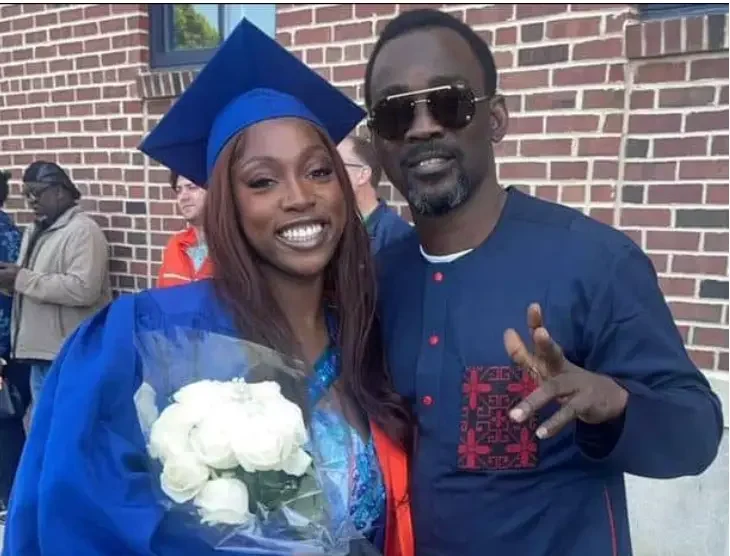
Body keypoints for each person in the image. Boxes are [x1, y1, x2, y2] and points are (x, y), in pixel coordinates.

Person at [2, 20, 413, 556]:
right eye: (262, 181)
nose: (299, 197)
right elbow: (70, 522)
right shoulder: (141, 340)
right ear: (227, 204)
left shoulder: (369, 342)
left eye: (318, 172)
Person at [365, 9, 722, 556]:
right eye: (395, 114)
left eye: (449, 103)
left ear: (496, 120)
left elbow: (697, 433)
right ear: (377, 142)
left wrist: (613, 403)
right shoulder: (379, 278)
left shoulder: (594, 262)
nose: (423, 127)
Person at [0, 161, 112, 408]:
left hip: (67, 354)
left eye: (36, 193)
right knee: (43, 426)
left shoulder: (83, 231)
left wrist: (20, 279)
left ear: (59, 191)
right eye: (26, 194)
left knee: (66, 424)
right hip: (38, 353)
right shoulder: (35, 230)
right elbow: (29, 281)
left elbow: (84, 289)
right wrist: (9, 282)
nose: (31, 201)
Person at [0, 170, 27, 519]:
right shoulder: (15, 232)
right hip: (14, 339)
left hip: (3, 343)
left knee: (4, 418)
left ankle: (9, 495)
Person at [337, 135, 412, 253]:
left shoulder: (396, 237)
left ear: (363, 175)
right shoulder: (338, 228)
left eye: (337, 165)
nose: (330, 174)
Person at [157, 172, 212, 288]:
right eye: (179, 190)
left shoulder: (234, 248)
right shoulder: (175, 245)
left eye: (192, 187)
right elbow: (161, 296)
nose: (183, 197)